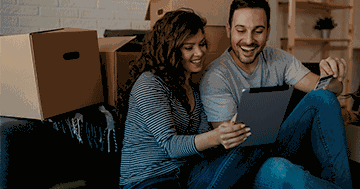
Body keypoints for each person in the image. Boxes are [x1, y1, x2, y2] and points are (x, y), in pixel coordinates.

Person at [199, 0, 352, 188]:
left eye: (258, 30)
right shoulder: (215, 76)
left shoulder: (279, 59)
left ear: (268, 31)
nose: (249, 40)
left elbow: (330, 89)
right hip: (244, 162)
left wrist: (332, 77)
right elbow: (231, 148)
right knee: (279, 170)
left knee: (323, 97)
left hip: (279, 142)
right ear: (229, 29)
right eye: (241, 30)